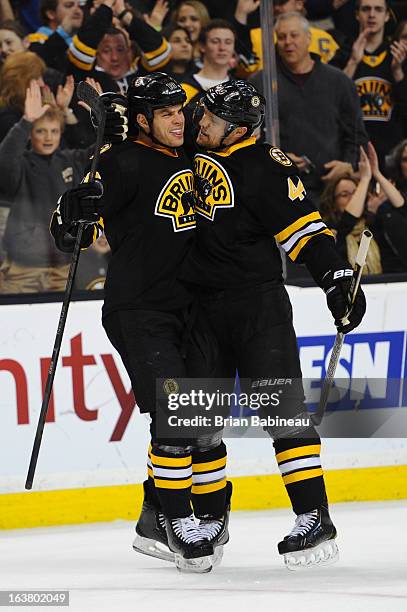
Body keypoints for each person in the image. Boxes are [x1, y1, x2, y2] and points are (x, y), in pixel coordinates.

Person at [180, 79, 366, 569]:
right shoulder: (183, 153)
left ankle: (313, 515)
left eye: (212, 119)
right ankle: (209, 519)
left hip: (256, 307)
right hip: (197, 307)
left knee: (281, 415)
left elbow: (306, 230)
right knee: (199, 421)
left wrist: (336, 278)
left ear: (238, 128)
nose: (202, 123)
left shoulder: (266, 165)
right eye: (203, 115)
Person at [50, 73, 231, 573]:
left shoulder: (201, 158)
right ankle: (176, 522)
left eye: (183, 111)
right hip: (141, 309)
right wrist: (73, 211)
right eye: (169, 113)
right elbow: (71, 236)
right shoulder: (118, 163)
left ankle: (187, 514)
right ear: (145, 119)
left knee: (206, 420)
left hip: (198, 307)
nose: (181, 119)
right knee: (176, 416)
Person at [250, 11, 368, 205]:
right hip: (280, 190)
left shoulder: (339, 81)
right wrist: (274, 158)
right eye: (282, 37)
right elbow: (247, 138)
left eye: (294, 35)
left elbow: (357, 134)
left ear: (308, 38)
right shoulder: (260, 83)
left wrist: (348, 165)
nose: (288, 42)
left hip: (332, 192)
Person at [0, 80, 94, 293]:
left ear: (61, 133)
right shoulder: (21, 164)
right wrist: (26, 121)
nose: (48, 137)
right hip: (22, 270)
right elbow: (4, 166)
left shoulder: (72, 160)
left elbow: (101, 151)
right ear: (31, 134)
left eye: (54, 131)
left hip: (64, 268)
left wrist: (103, 117)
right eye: (41, 131)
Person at [330, 0, 407, 167]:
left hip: (392, 152)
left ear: (387, 16)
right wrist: (352, 62)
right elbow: (330, 101)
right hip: (351, 149)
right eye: (366, 9)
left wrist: (398, 73)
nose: (372, 15)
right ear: (357, 14)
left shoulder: (399, 56)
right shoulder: (343, 53)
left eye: (378, 9)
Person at [320, 143, 407, 273]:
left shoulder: (374, 224)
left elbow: (401, 207)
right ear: (333, 203)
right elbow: (348, 221)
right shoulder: (331, 230)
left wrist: (376, 173)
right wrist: (365, 179)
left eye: (357, 192)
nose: (353, 198)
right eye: (345, 194)